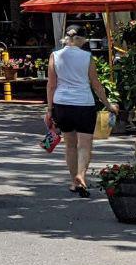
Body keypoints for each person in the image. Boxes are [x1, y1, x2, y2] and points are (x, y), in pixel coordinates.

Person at [46, 26, 117, 196]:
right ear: (82, 39)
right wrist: (108, 105)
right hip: (84, 104)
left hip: (62, 104)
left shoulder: (55, 56)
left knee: (70, 144)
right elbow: (96, 84)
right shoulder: (87, 57)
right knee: (84, 144)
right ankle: (81, 175)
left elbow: (51, 84)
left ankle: (73, 181)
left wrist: (50, 109)